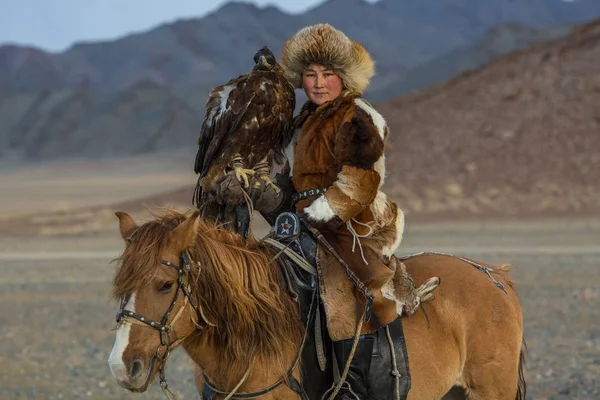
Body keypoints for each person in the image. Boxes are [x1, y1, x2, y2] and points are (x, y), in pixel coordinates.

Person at [217, 24, 438, 399]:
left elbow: (359, 183)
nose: (318, 83)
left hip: (353, 222)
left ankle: (364, 388)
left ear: (344, 77)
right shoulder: (307, 120)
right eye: (311, 74)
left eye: (328, 74)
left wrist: (317, 214)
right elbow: (299, 186)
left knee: (345, 296)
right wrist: (261, 192)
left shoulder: (358, 116)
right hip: (308, 221)